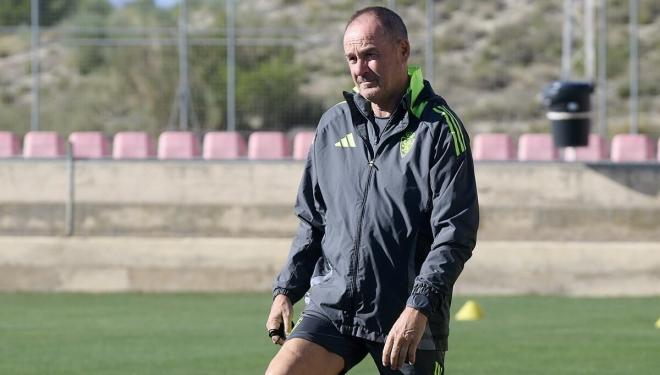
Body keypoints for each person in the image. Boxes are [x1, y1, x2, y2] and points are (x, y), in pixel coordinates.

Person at [265, 6, 478, 375]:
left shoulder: (440, 129)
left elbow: (454, 235)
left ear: (403, 51)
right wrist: (286, 289)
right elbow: (313, 220)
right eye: (351, 58)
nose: (360, 68)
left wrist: (419, 307)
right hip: (333, 306)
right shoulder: (334, 124)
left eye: (370, 55)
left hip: (407, 311)